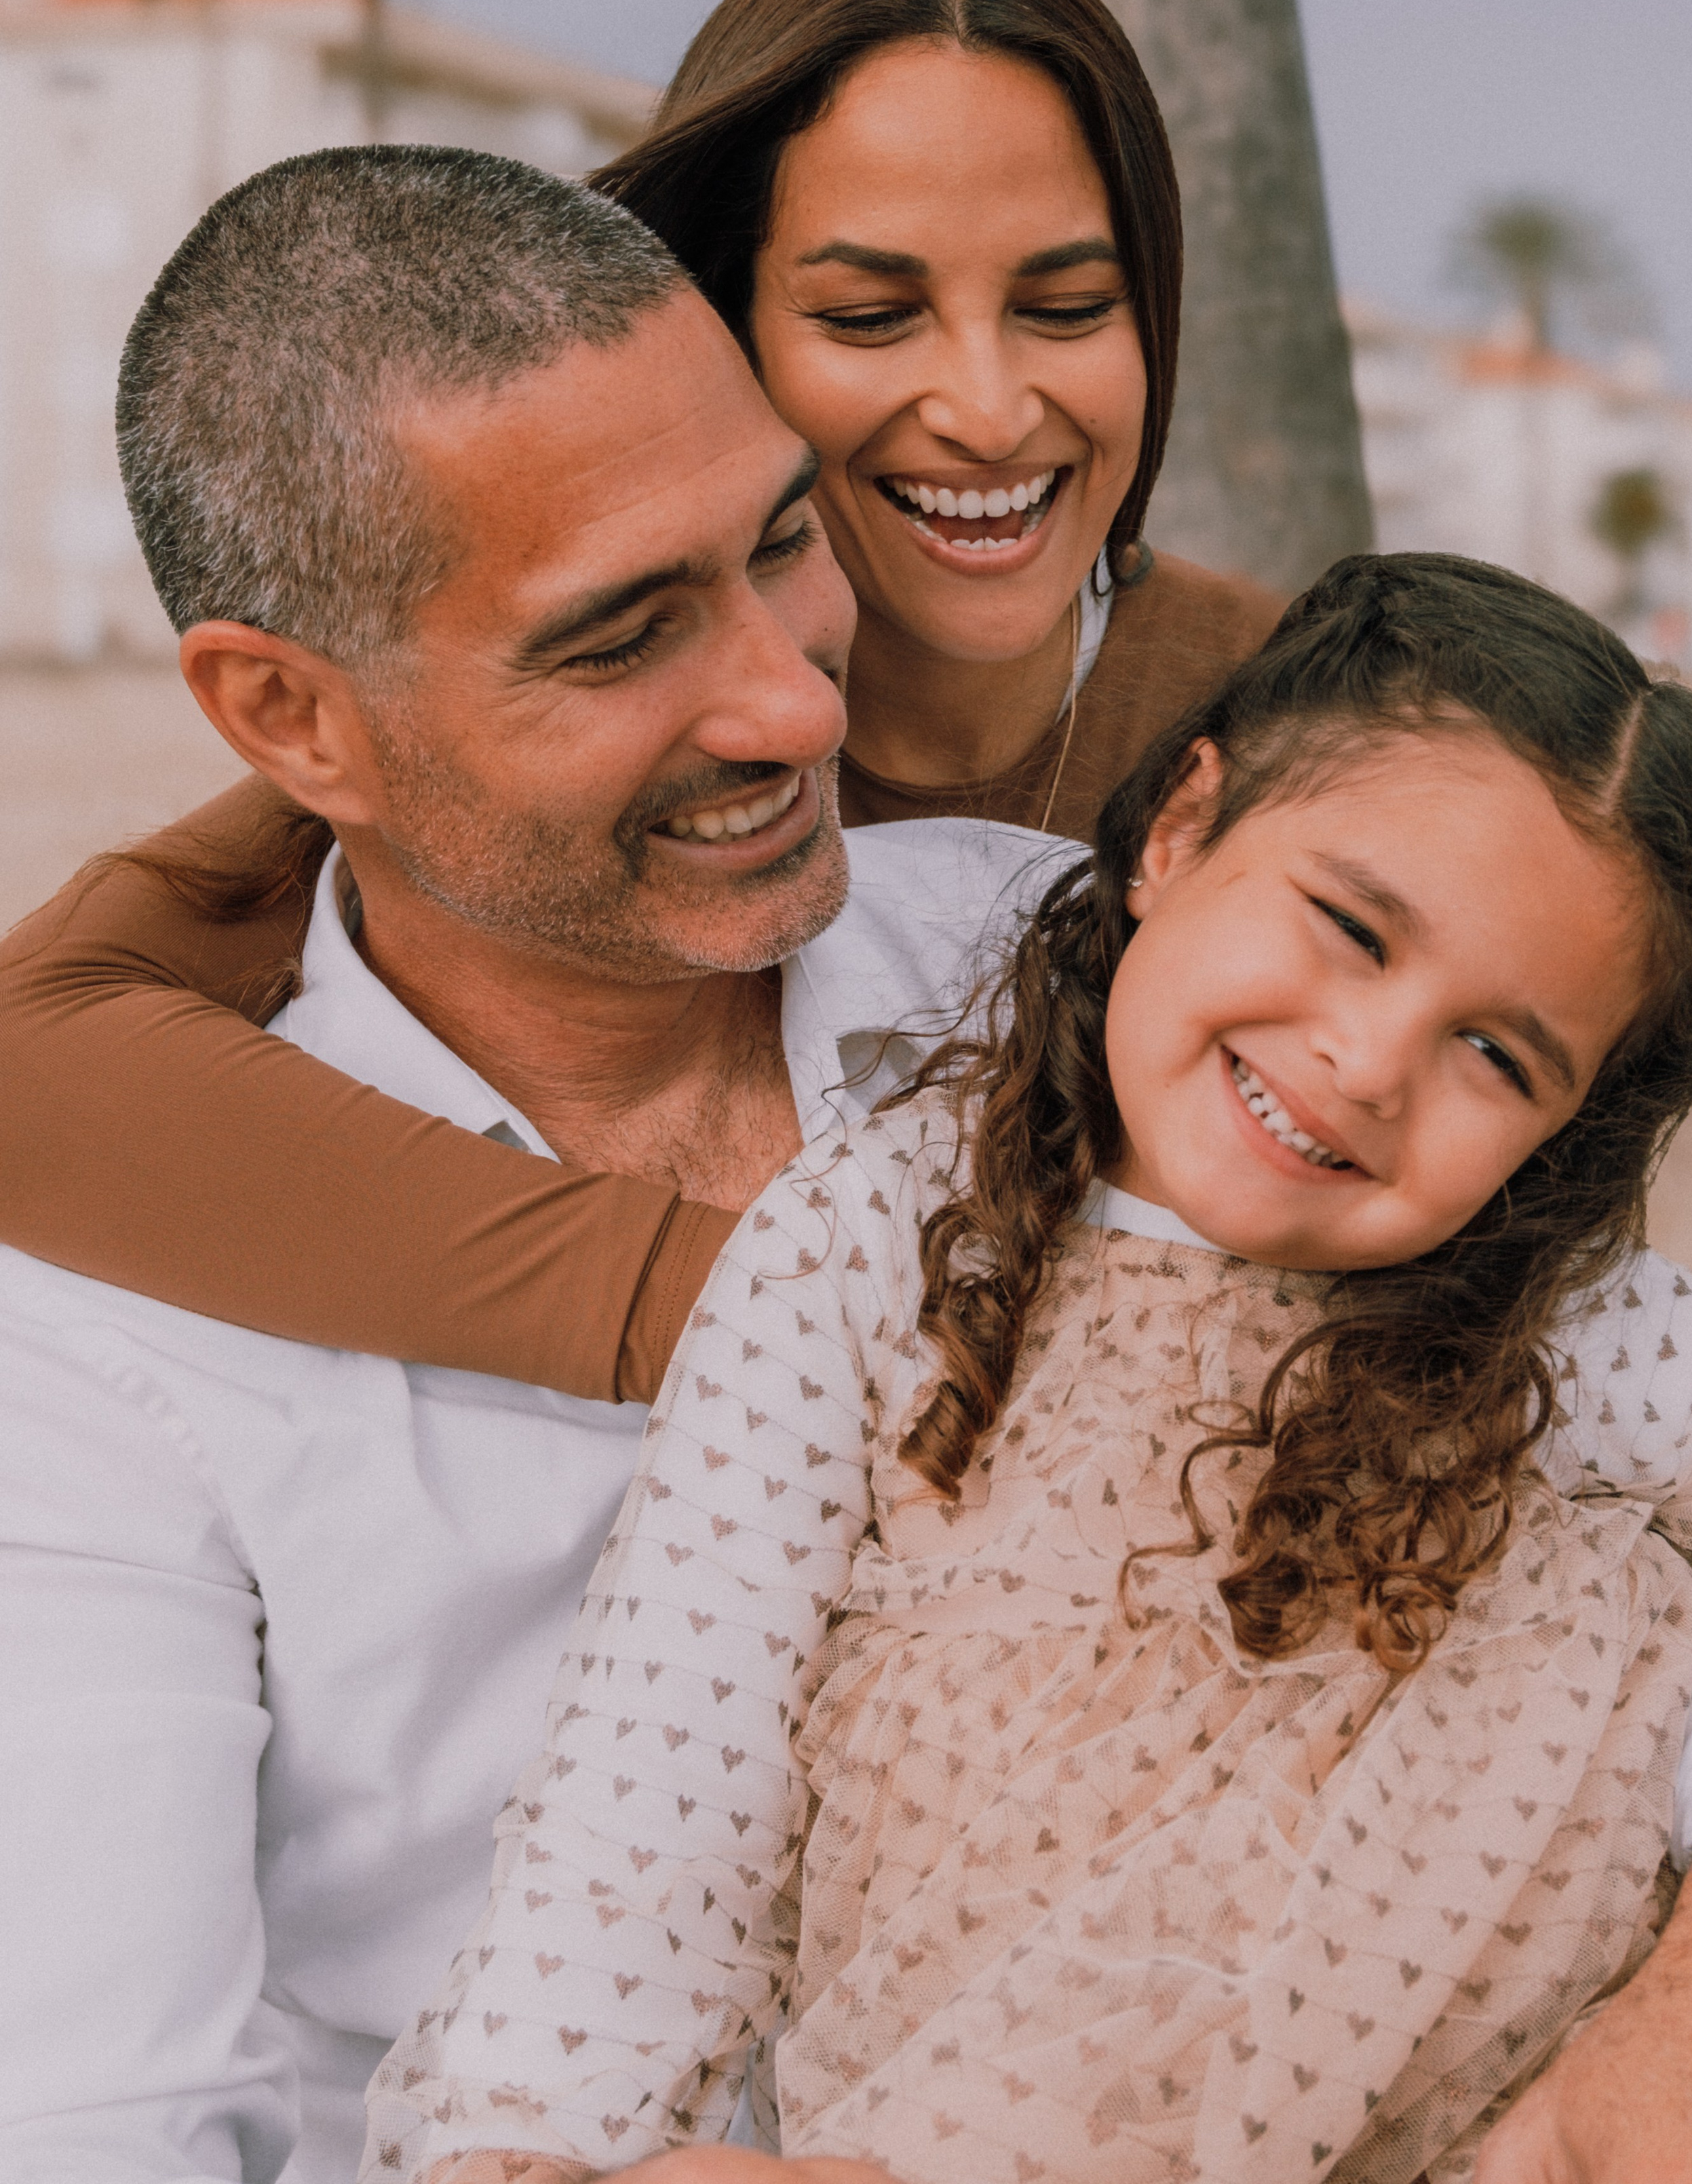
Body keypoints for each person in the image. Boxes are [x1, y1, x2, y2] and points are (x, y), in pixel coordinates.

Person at [358, 555, 1692, 2184]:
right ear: (1180, 829)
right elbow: (658, 1779)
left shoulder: (1566, 1337)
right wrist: (523, 2149)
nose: (1369, 1065)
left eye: (1495, 1054)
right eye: (1351, 928)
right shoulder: (881, 1240)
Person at [0, 145, 1079, 2182]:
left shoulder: (1074, 972)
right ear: (288, 718)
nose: (796, 699)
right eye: (618, 639)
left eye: (783, 541)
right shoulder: (94, 1360)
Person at [0, 0, 1282, 1395]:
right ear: (713, 328)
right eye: (870, 317)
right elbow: (35, 1063)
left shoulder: (1312, 715)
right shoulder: (467, 774)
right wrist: (784, 1323)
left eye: (1067, 305)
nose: (989, 410)